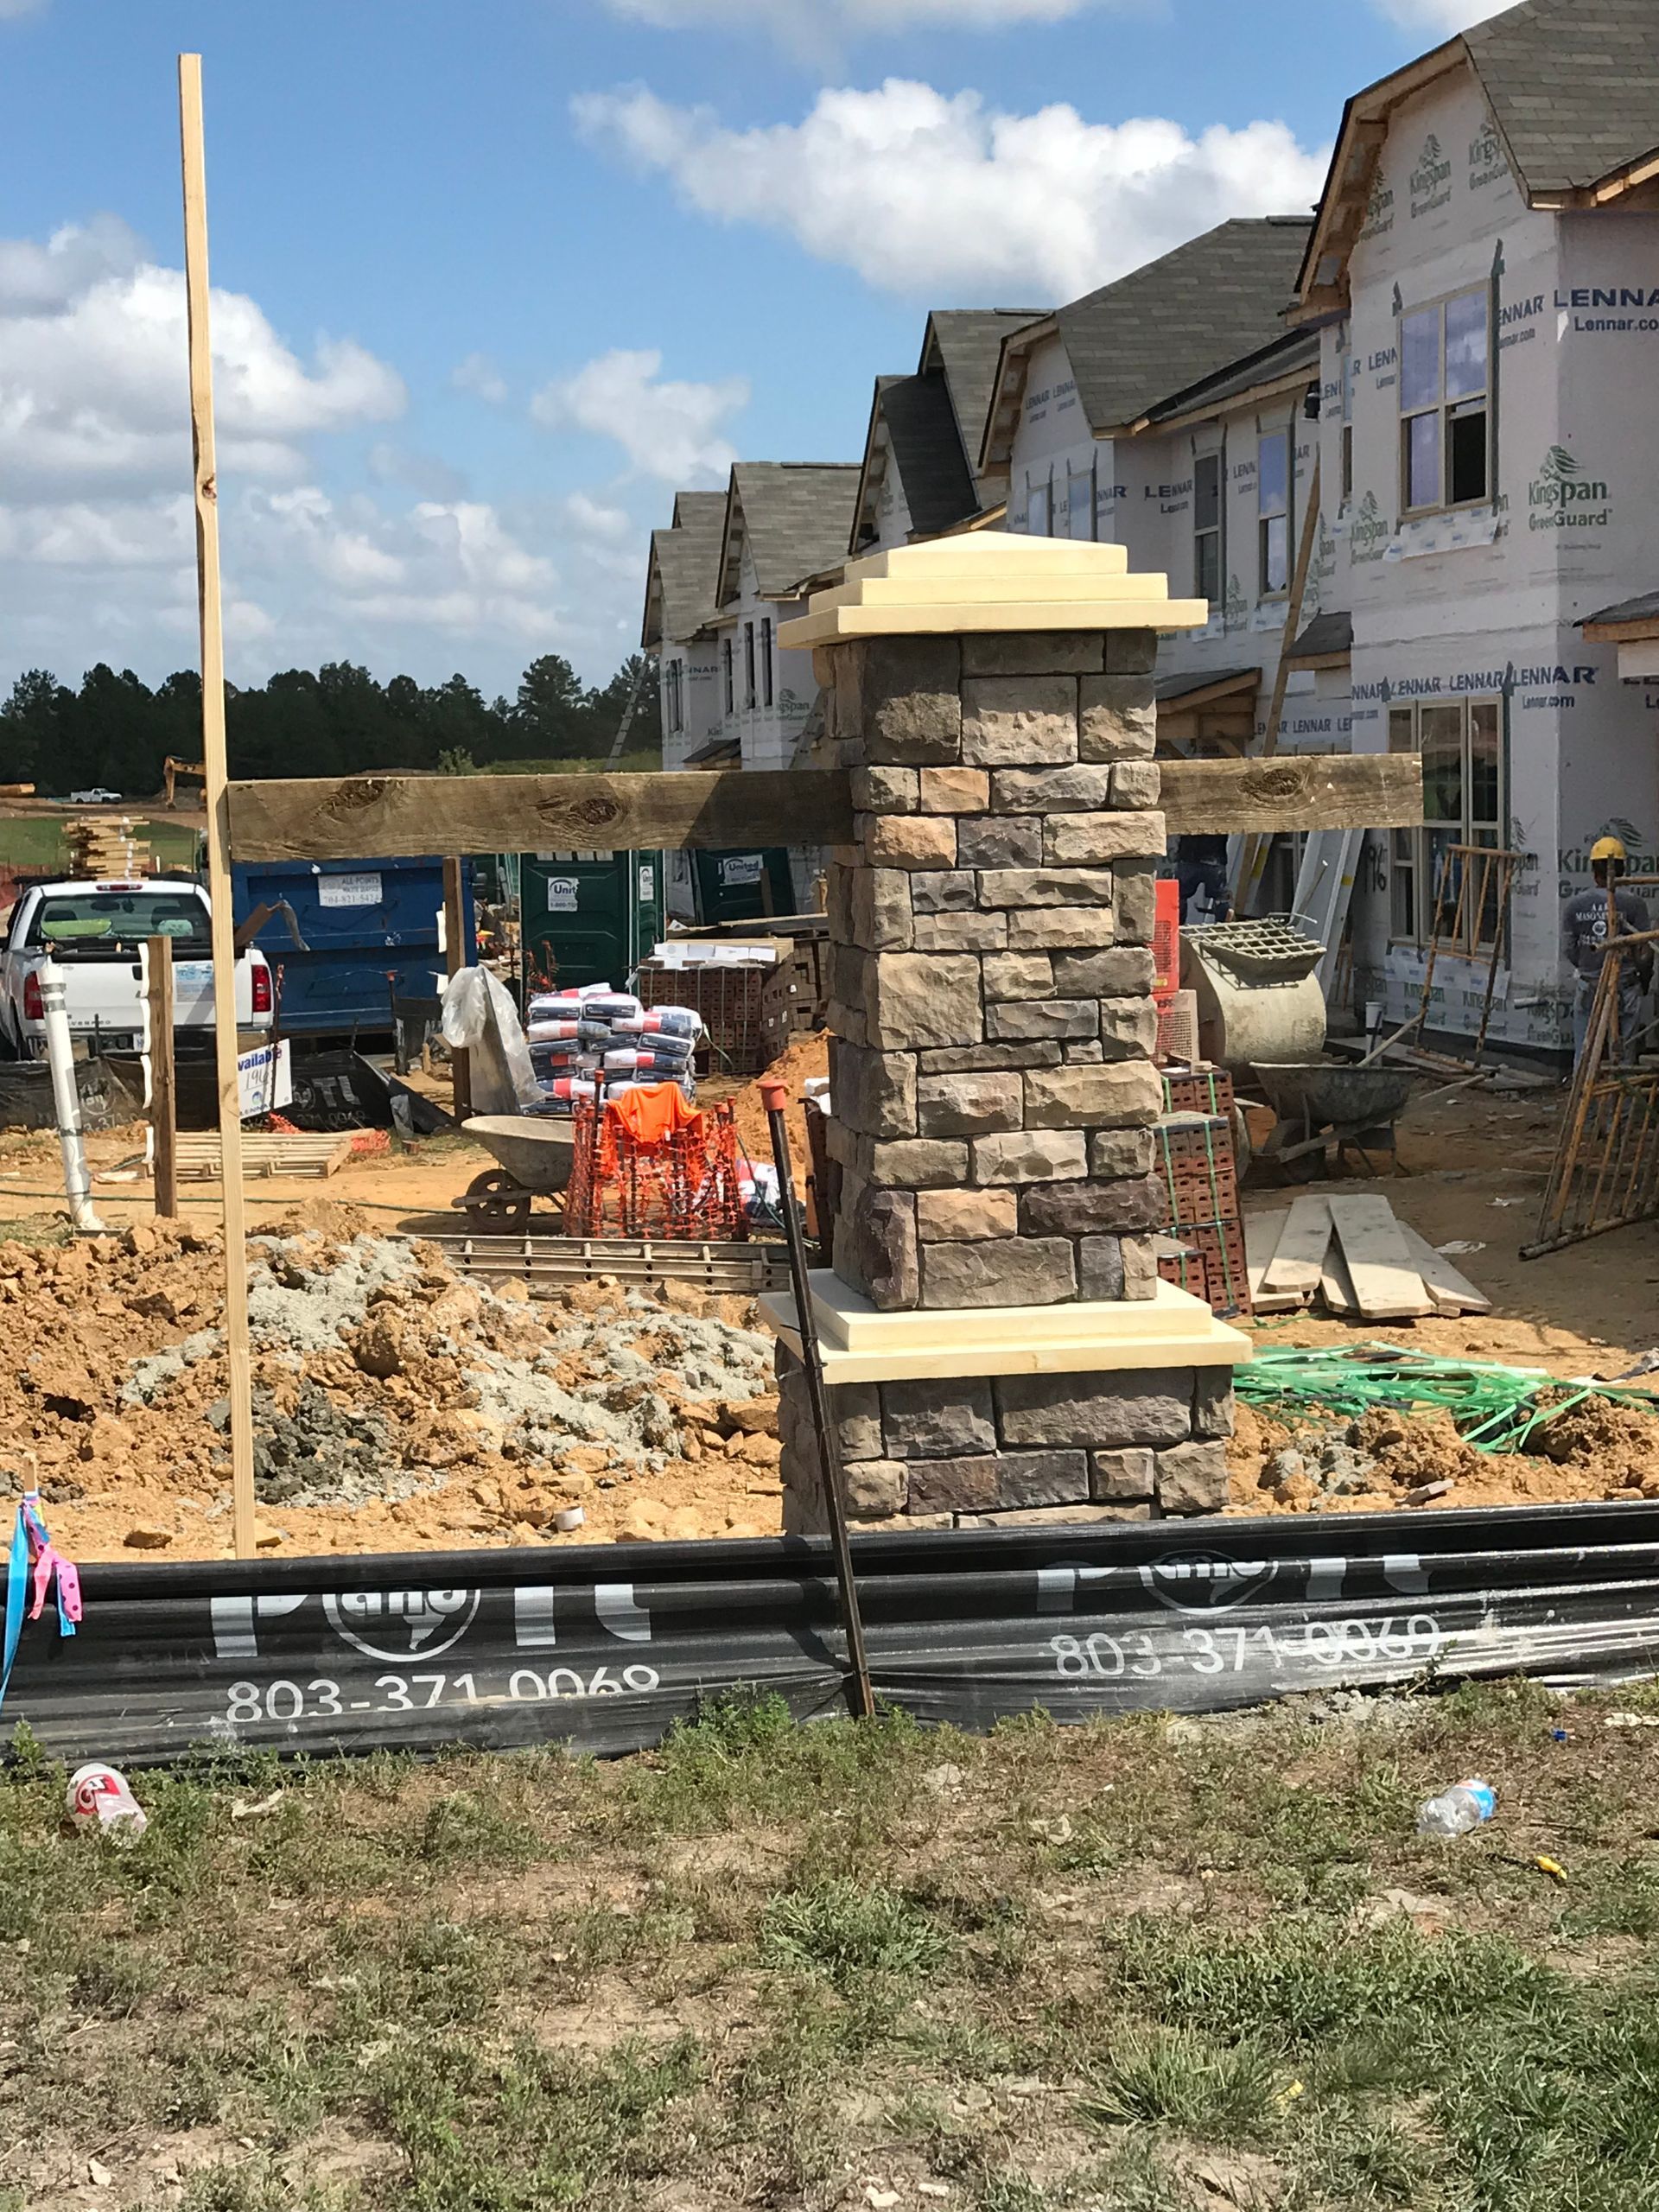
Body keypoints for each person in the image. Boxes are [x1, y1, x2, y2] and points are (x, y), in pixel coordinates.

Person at [1561, 836, 1653, 1064]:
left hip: (1590, 984)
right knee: (1624, 1052)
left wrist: (1587, 965)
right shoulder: (1634, 904)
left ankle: (1584, 1095)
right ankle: (1621, 1096)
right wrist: (1644, 980)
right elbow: (1645, 951)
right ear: (1622, 869)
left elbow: (1569, 948)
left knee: (1585, 1050)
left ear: (1593, 871)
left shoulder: (1576, 904)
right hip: (1626, 984)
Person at [1173, 832, 1230, 924]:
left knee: (1179, 896)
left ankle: (1177, 928)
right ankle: (1223, 929)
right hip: (1214, 859)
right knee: (1220, 898)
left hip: (1188, 857)